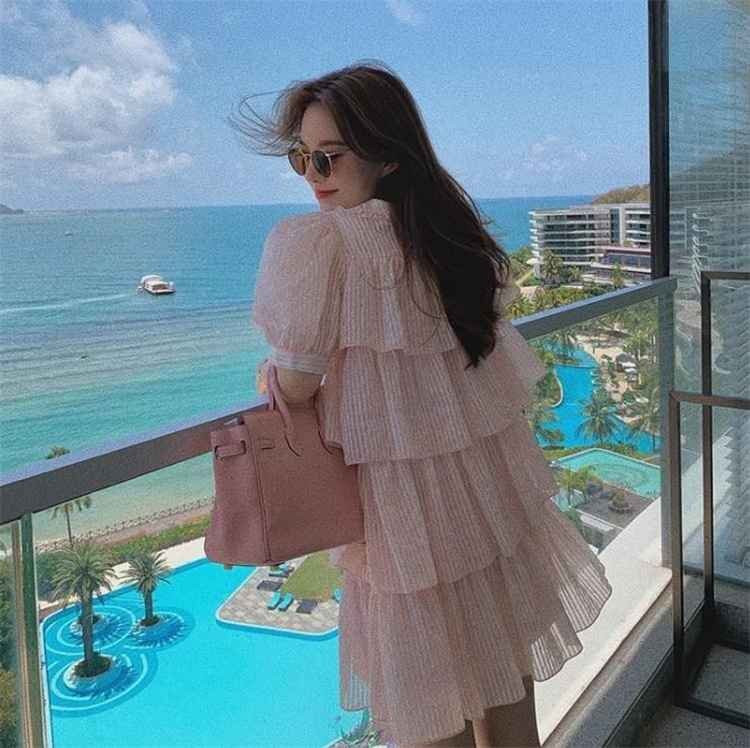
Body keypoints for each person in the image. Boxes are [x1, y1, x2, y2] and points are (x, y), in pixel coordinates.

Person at [229, 61, 612, 748]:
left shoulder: (325, 243)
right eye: (301, 157)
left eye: (329, 156)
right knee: (505, 691)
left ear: (387, 155)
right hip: (482, 498)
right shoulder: (447, 236)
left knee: (429, 709)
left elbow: (296, 380)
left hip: (399, 513)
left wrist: (271, 375)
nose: (313, 174)